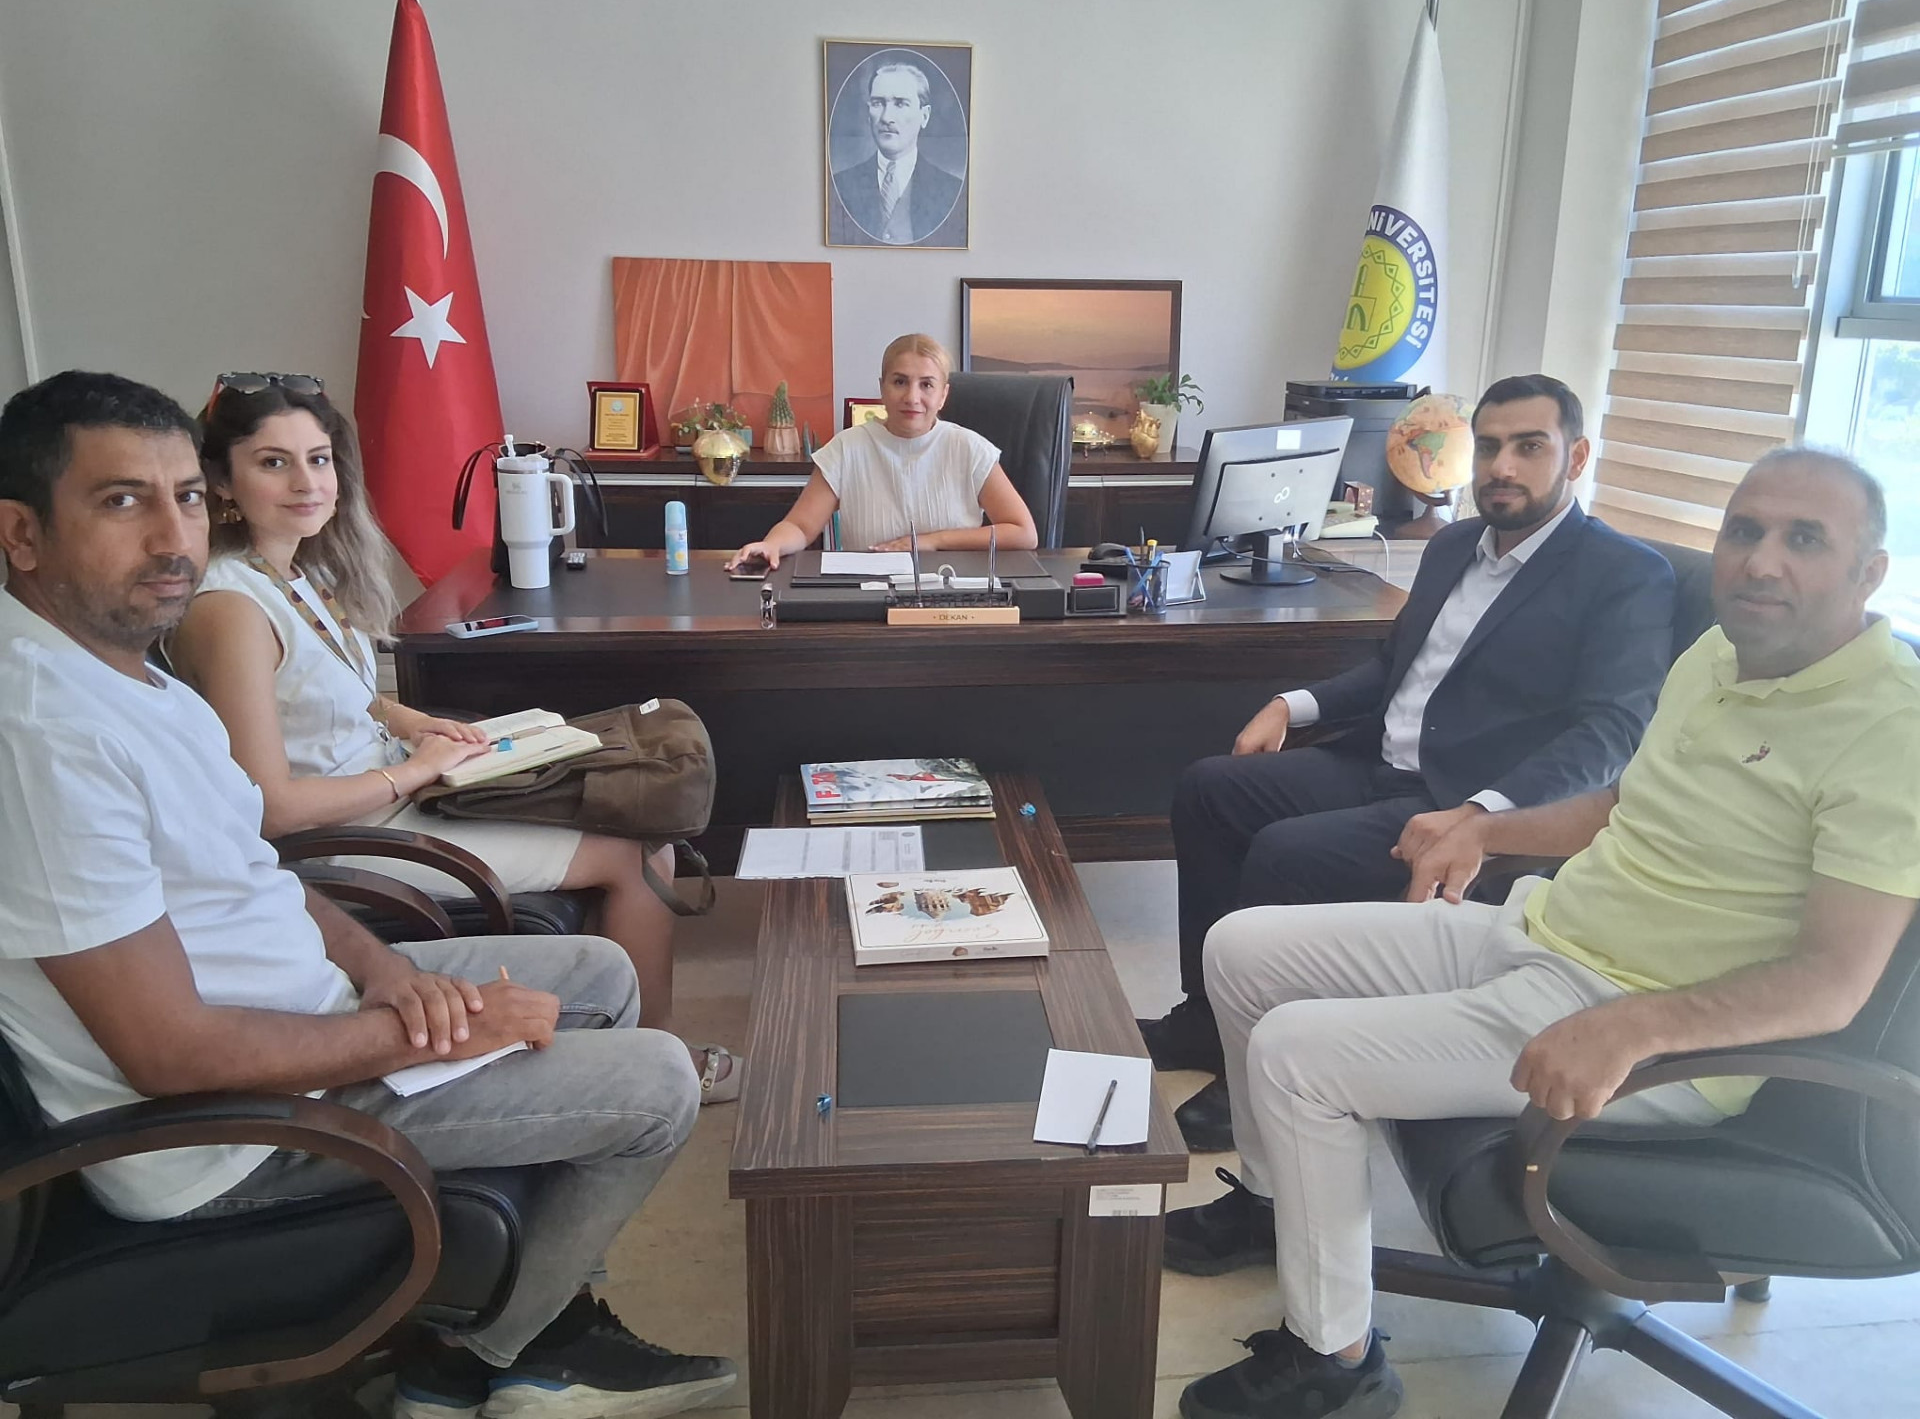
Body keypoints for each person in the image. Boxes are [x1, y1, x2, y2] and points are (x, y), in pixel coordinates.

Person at [0, 370, 738, 1419]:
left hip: (301, 1013)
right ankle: (482, 1364)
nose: (172, 538)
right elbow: (169, 1055)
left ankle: (539, 1307)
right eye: (122, 501)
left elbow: (257, 871)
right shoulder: (42, 737)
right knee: (659, 1085)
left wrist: (387, 972)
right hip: (233, 1132)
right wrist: (420, 1035)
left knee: (600, 969)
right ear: (22, 534)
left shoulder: (128, 676)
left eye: (184, 497)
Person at [1163, 447, 1920, 1419]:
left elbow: (1834, 980)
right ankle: (1272, 1208)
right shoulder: (1718, 653)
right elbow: (1624, 803)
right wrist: (1487, 831)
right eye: (1745, 530)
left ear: (1870, 571)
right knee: (1240, 950)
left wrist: (1634, 1026)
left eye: (1804, 539)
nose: (1761, 561)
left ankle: (1335, 1362)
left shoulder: (1889, 729)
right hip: (1543, 932)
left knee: (1295, 1056)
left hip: (1646, 1029)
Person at [163, 374, 737, 1103]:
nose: (306, 482)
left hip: (399, 788)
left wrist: (410, 723)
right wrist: (413, 771)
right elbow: (269, 807)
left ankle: (623, 1036)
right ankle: (653, 1056)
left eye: (318, 459)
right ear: (221, 481)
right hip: (348, 833)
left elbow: (326, 692)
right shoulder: (229, 609)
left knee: (627, 795)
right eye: (273, 463)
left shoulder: (290, 575)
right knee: (636, 850)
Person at [1141, 375, 1675, 1151]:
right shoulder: (1455, 544)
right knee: (1209, 789)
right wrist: (1292, 704)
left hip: (1465, 800)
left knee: (1287, 853)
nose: (1503, 466)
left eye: (1530, 447)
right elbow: (1393, 667)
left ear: (1577, 456)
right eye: (1489, 447)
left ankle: (1251, 1075)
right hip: (1379, 762)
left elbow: (1611, 731)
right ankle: (1205, 1018)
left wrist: (1485, 815)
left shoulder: (1623, 573)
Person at [727, 333, 1036, 569]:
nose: (912, 397)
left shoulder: (970, 449)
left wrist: (932, 542)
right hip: (869, 595)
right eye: (900, 382)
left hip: (952, 593)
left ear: (943, 395)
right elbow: (800, 526)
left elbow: (1023, 532)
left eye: (926, 385)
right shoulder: (847, 448)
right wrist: (772, 545)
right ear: (882, 388)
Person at [830, 60, 965, 246]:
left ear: (924, 116)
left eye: (900, 104)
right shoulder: (838, 186)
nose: (886, 117)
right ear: (868, 114)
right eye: (878, 103)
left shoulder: (952, 191)